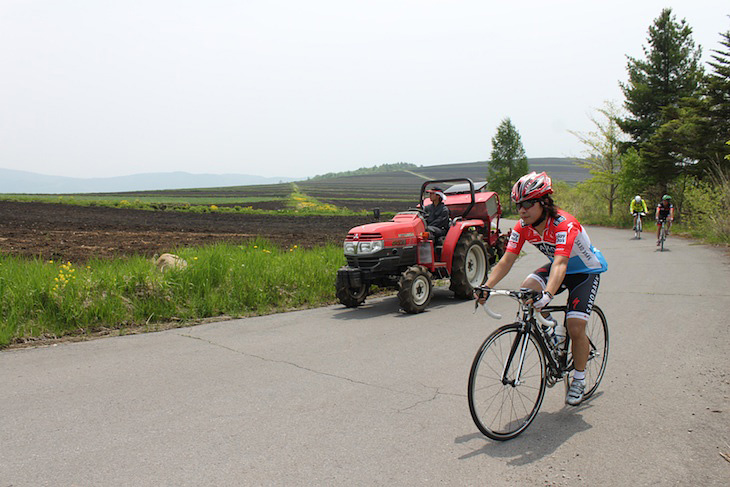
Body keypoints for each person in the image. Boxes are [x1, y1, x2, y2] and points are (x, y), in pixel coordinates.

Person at [474, 171, 607, 406]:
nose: (522, 210)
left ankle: (579, 378)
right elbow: (506, 260)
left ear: (544, 202)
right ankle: (551, 337)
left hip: (584, 271)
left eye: (527, 204)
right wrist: (486, 286)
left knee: (576, 326)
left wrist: (548, 295)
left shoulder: (564, 225)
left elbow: (561, 263)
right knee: (527, 290)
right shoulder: (522, 227)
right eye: (518, 205)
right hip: (559, 268)